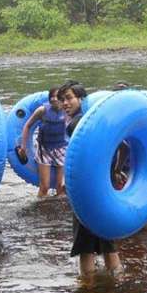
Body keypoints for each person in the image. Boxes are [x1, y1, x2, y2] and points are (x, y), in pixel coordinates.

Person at [59, 81, 122, 276]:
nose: (65, 103)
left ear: (81, 99)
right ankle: (117, 280)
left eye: (69, 98)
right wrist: (116, 170)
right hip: (103, 187)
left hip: (86, 191)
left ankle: (87, 288)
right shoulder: (99, 121)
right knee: (106, 238)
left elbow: (78, 159)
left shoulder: (78, 123)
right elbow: (122, 148)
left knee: (84, 244)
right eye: (62, 100)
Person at [17, 86, 67, 197]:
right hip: (44, 149)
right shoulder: (42, 110)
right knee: (44, 187)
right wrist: (23, 147)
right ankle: (39, 208)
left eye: (57, 96)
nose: (53, 99)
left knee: (61, 187)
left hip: (61, 149)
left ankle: (57, 211)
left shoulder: (66, 110)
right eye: (51, 96)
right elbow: (27, 126)